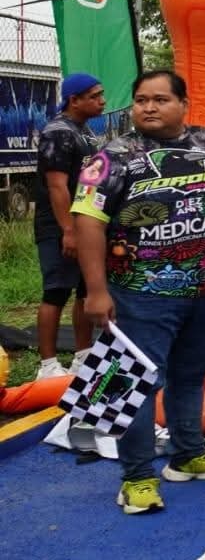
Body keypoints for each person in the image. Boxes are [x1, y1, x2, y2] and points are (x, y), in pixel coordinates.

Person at [73, 70, 205, 515]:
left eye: (160, 99)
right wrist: (96, 291)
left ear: (183, 104)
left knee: (191, 373)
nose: (149, 107)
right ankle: (137, 477)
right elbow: (88, 222)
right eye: (141, 99)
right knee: (133, 384)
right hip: (140, 294)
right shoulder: (112, 157)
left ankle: (188, 454)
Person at [33, 72, 105, 379]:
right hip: (60, 226)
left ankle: (83, 356)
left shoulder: (85, 131)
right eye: (95, 96)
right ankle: (48, 366)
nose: (102, 101)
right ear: (74, 100)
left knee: (86, 290)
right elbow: (57, 186)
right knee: (57, 291)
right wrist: (68, 230)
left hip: (86, 223)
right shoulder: (58, 132)